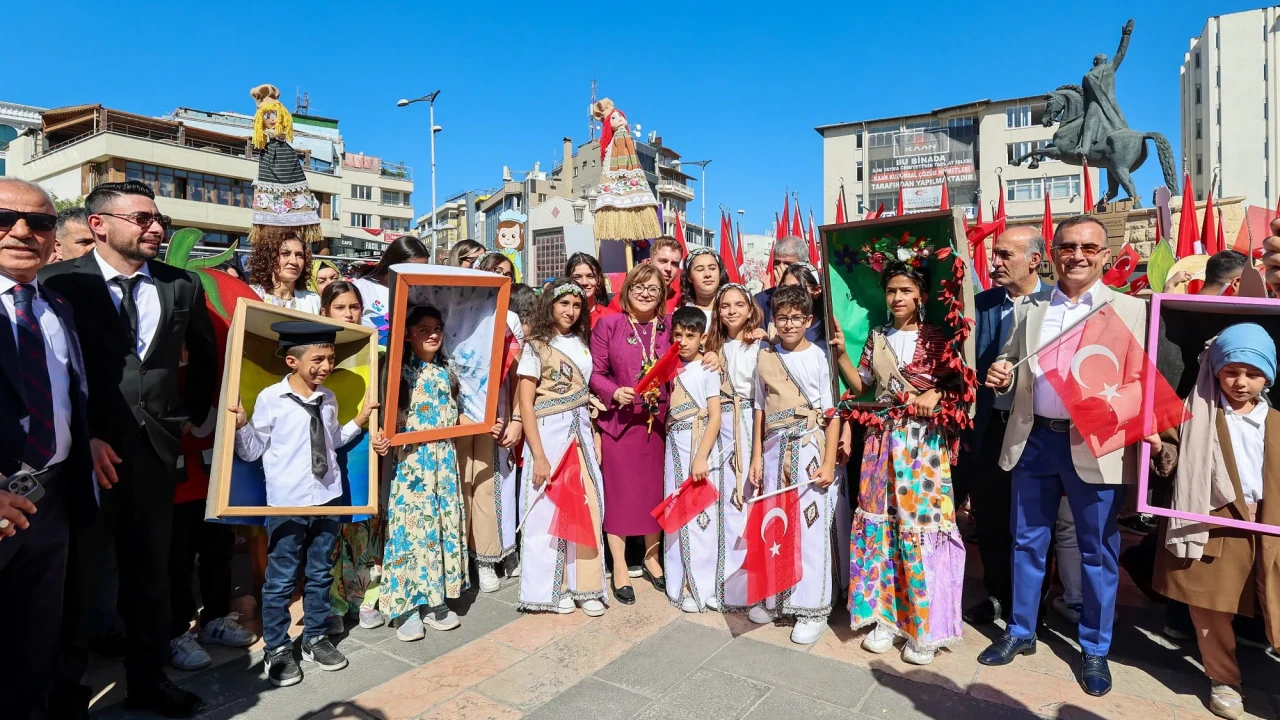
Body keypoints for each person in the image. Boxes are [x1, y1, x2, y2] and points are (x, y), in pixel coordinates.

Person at [42, 179, 216, 717]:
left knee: (150, 573)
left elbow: (205, 355)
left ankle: (148, 679)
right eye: (142, 219)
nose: (156, 228)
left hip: (155, 453)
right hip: (86, 456)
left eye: (158, 219)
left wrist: (188, 419)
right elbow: (49, 370)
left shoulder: (180, 284)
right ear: (98, 224)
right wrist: (82, 434)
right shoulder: (58, 282)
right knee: (78, 580)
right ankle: (65, 693)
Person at [979, 214, 1149, 697]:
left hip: (1094, 443)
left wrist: (1112, 412)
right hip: (1034, 440)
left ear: (1105, 256)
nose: (1077, 256)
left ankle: (1094, 647)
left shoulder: (1129, 310)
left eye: (1088, 248)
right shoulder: (1032, 308)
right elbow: (1010, 359)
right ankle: (1020, 630)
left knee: (1097, 551)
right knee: (1026, 541)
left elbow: (1141, 380)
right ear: (1052, 255)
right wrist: (1001, 373)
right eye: (1068, 247)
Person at [230, 320, 385, 685]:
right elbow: (251, 452)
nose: (326, 366)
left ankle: (315, 636)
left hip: (328, 497)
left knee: (320, 572)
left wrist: (360, 420)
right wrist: (241, 425)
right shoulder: (271, 398)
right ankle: (277, 648)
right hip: (287, 502)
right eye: (318, 359)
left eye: (330, 358)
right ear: (292, 361)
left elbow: (332, 441)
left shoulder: (327, 398)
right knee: (281, 579)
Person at [840, 262, 967, 665]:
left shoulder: (938, 337)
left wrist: (938, 395)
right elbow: (862, 386)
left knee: (921, 525)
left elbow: (962, 386)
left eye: (906, 291)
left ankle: (924, 626)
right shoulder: (877, 337)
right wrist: (841, 353)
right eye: (892, 290)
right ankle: (884, 616)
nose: (897, 298)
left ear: (921, 296)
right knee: (881, 523)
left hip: (921, 445)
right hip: (880, 440)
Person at [0, 179, 95, 720]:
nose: (21, 231)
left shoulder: (57, 306)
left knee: (36, 642)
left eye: (37, 222)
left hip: (51, 498)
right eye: (4, 218)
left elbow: (65, 393)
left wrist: (86, 440)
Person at [1149, 323, 1278, 720]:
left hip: (1270, 523)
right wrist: (1158, 447)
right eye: (1231, 371)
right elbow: (1170, 459)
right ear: (1216, 369)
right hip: (1213, 520)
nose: (1241, 382)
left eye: (1253, 373)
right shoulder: (1192, 414)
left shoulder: (1275, 421)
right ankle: (1224, 679)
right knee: (1209, 609)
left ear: (1269, 376)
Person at [748, 285, 842, 645]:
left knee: (810, 526)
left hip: (808, 449)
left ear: (809, 320)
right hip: (774, 450)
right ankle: (778, 598)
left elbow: (832, 413)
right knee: (777, 523)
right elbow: (759, 408)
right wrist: (756, 455)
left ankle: (812, 608)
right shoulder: (765, 356)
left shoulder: (818, 357)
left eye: (796, 318)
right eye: (782, 317)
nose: (788, 324)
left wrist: (829, 462)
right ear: (773, 319)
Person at [964, 227, 1048, 625]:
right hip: (989, 429)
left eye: (1004, 255)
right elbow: (965, 367)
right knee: (991, 518)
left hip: (1039, 432)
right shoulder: (980, 306)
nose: (994, 262)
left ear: (1034, 260)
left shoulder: (1056, 305)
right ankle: (997, 594)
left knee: (1034, 523)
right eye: (993, 254)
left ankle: (1032, 606)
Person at [516, 280, 608, 615]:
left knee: (587, 505)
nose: (570, 311)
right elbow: (526, 404)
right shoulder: (535, 347)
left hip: (580, 433)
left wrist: (594, 433)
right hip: (548, 436)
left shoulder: (582, 343)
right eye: (563, 303)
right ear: (550, 305)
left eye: (577, 305)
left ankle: (586, 585)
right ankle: (553, 590)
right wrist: (539, 455)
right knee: (549, 510)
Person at [381, 306, 468, 638]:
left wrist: (487, 424)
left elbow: (455, 416)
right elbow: (386, 421)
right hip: (412, 464)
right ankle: (406, 607)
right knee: (412, 529)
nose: (433, 334)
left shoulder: (446, 372)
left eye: (437, 328)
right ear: (407, 335)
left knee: (440, 527)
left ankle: (434, 600)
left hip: (444, 463)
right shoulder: (398, 374)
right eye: (423, 329)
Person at [591, 264, 670, 603]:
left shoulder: (670, 326)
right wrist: (613, 391)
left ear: (662, 294)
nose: (645, 293)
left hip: (658, 425)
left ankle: (652, 558)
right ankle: (620, 566)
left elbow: (696, 351)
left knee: (655, 494)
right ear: (626, 291)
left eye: (653, 288)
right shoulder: (609, 325)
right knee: (620, 496)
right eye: (639, 286)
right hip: (620, 425)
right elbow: (595, 372)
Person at [317, 284, 386, 631]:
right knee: (328, 528)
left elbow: (387, 399)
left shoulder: (378, 351)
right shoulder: (312, 352)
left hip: (363, 449)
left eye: (354, 306)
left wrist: (382, 431)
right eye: (340, 307)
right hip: (323, 450)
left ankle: (366, 597)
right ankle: (332, 604)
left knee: (362, 523)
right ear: (325, 311)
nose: (348, 314)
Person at [456, 252, 524, 591]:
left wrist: (515, 419)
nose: (500, 277)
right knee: (464, 485)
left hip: (497, 411)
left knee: (496, 485)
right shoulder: (457, 310)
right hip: (459, 413)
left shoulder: (510, 319)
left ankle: (496, 555)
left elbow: (517, 375)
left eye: (507, 273)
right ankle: (465, 561)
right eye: (494, 271)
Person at [705, 282, 766, 610]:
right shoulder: (713, 348)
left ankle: (755, 585)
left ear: (750, 308)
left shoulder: (761, 345)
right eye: (725, 305)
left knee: (751, 504)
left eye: (739, 304)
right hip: (723, 429)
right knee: (728, 507)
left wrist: (769, 337)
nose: (731, 311)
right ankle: (729, 585)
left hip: (752, 425)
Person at [662, 306, 724, 613]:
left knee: (703, 515)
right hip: (673, 445)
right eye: (678, 335)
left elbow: (715, 416)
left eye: (690, 335)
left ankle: (705, 584)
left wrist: (701, 457)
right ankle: (681, 583)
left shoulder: (708, 368)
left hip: (699, 445)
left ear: (703, 338)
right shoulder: (668, 367)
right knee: (677, 511)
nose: (683, 341)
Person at [350, 236, 432, 328]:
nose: (418, 273)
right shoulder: (360, 288)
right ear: (393, 263)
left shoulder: (424, 291)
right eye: (413, 268)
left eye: (423, 268)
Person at [1079, 19, 1134, 153]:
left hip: (1095, 105)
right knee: (1122, 124)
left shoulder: (1088, 75)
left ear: (1095, 61)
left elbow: (1084, 97)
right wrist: (1126, 36)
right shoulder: (1110, 67)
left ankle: (1084, 148)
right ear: (1104, 61)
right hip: (1112, 103)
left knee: (1089, 123)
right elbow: (1121, 53)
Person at [246, 232, 320, 313]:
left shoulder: (313, 300)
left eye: (299, 255)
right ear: (269, 258)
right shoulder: (251, 294)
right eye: (285, 254)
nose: (294, 261)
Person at [772, 262, 827, 353]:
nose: (790, 294)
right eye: (785, 288)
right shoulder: (776, 323)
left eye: (797, 288)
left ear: (816, 290)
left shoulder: (829, 328)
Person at [754, 235, 805, 327]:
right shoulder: (760, 299)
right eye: (777, 263)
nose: (780, 267)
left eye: (787, 263)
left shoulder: (814, 295)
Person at [680, 247, 730, 325]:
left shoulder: (733, 311)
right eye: (700, 269)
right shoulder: (681, 314)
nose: (707, 274)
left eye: (712, 268)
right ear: (689, 277)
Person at [565, 252, 617, 328]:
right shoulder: (562, 318)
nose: (584, 282)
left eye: (590, 276)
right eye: (577, 277)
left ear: (599, 280)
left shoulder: (612, 317)